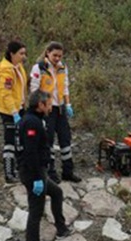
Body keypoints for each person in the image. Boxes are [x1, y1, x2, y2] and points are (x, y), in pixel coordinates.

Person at [18, 90, 73, 241]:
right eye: (48, 104)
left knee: (56, 193)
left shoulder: (35, 119)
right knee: (36, 211)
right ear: (40, 105)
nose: (51, 107)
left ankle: (61, 228)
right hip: (33, 173)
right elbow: (30, 153)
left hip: (38, 171)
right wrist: (36, 179)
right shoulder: (31, 123)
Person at [29, 41, 81, 183]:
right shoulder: (39, 68)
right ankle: (50, 171)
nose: (57, 58)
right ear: (48, 53)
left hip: (60, 108)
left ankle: (68, 171)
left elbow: (64, 87)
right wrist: (40, 108)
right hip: (47, 109)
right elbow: (34, 90)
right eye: (55, 55)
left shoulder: (63, 68)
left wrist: (68, 103)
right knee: (48, 140)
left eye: (60, 56)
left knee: (65, 139)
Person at [0, 41, 27, 183]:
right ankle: (8, 173)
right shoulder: (6, 70)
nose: (23, 56)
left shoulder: (17, 67)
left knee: (19, 139)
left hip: (19, 107)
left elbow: (20, 88)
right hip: (9, 110)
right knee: (10, 141)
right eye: (21, 53)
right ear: (12, 54)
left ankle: (19, 169)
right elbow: (5, 93)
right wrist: (14, 112)